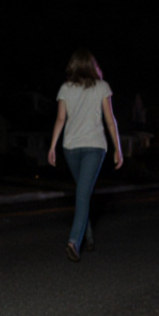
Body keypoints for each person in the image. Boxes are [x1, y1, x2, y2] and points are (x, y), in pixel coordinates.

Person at [48, 48, 124, 262]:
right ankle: (87, 237)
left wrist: (53, 146)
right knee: (84, 193)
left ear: (72, 66)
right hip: (86, 147)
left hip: (76, 147)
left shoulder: (66, 88)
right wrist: (117, 147)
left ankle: (74, 241)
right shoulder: (101, 86)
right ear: (93, 66)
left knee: (82, 193)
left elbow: (60, 120)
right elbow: (110, 120)